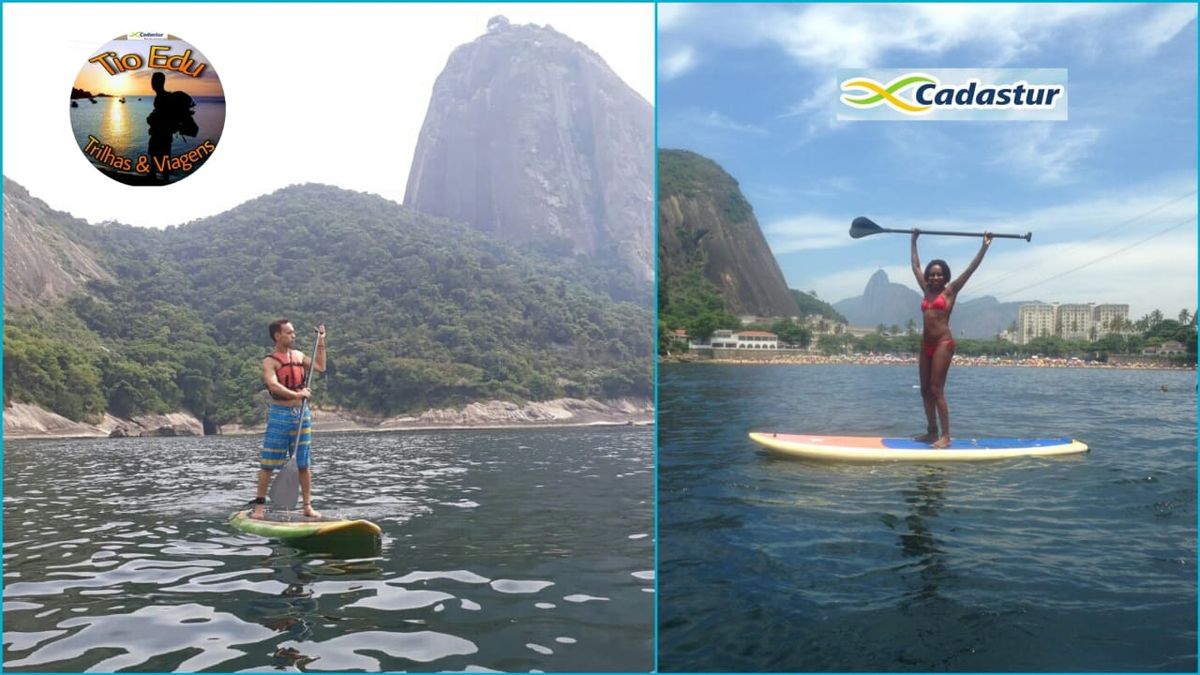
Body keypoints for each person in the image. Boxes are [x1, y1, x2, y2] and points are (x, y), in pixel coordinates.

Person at [911, 230, 992, 448]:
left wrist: (984, 246)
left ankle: (945, 436)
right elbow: (915, 267)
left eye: (939, 274)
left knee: (937, 390)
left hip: (942, 344)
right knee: (924, 390)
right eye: (932, 274)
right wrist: (913, 240)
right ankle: (931, 432)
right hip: (925, 344)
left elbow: (970, 269)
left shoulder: (950, 291)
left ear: (945, 276)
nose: (935, 277)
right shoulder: (925, 290)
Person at [253, 319, 327, 519]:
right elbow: (273, 384)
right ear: (278, 336)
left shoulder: (299, 356)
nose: (293, 335)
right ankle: (259, 506)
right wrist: (296, 395)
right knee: (269, 462)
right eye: (289, 332)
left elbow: (320, 366)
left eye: (293, 332)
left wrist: (321, 341)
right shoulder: (270, 361)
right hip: (280, 413)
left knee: (304, 462)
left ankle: (307, 506)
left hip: (302, 414)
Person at [145, 72, 175, 183]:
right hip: (164, 135)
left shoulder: (161, 97)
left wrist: (150, 120)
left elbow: (161, 117)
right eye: (152, 81)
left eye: (154, 81)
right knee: (161, 158)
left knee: (157, 157)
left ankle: (158, 179)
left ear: (159, 82)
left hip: (160, 135)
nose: (152, 83)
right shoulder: (163, 96)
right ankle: (159, 178)